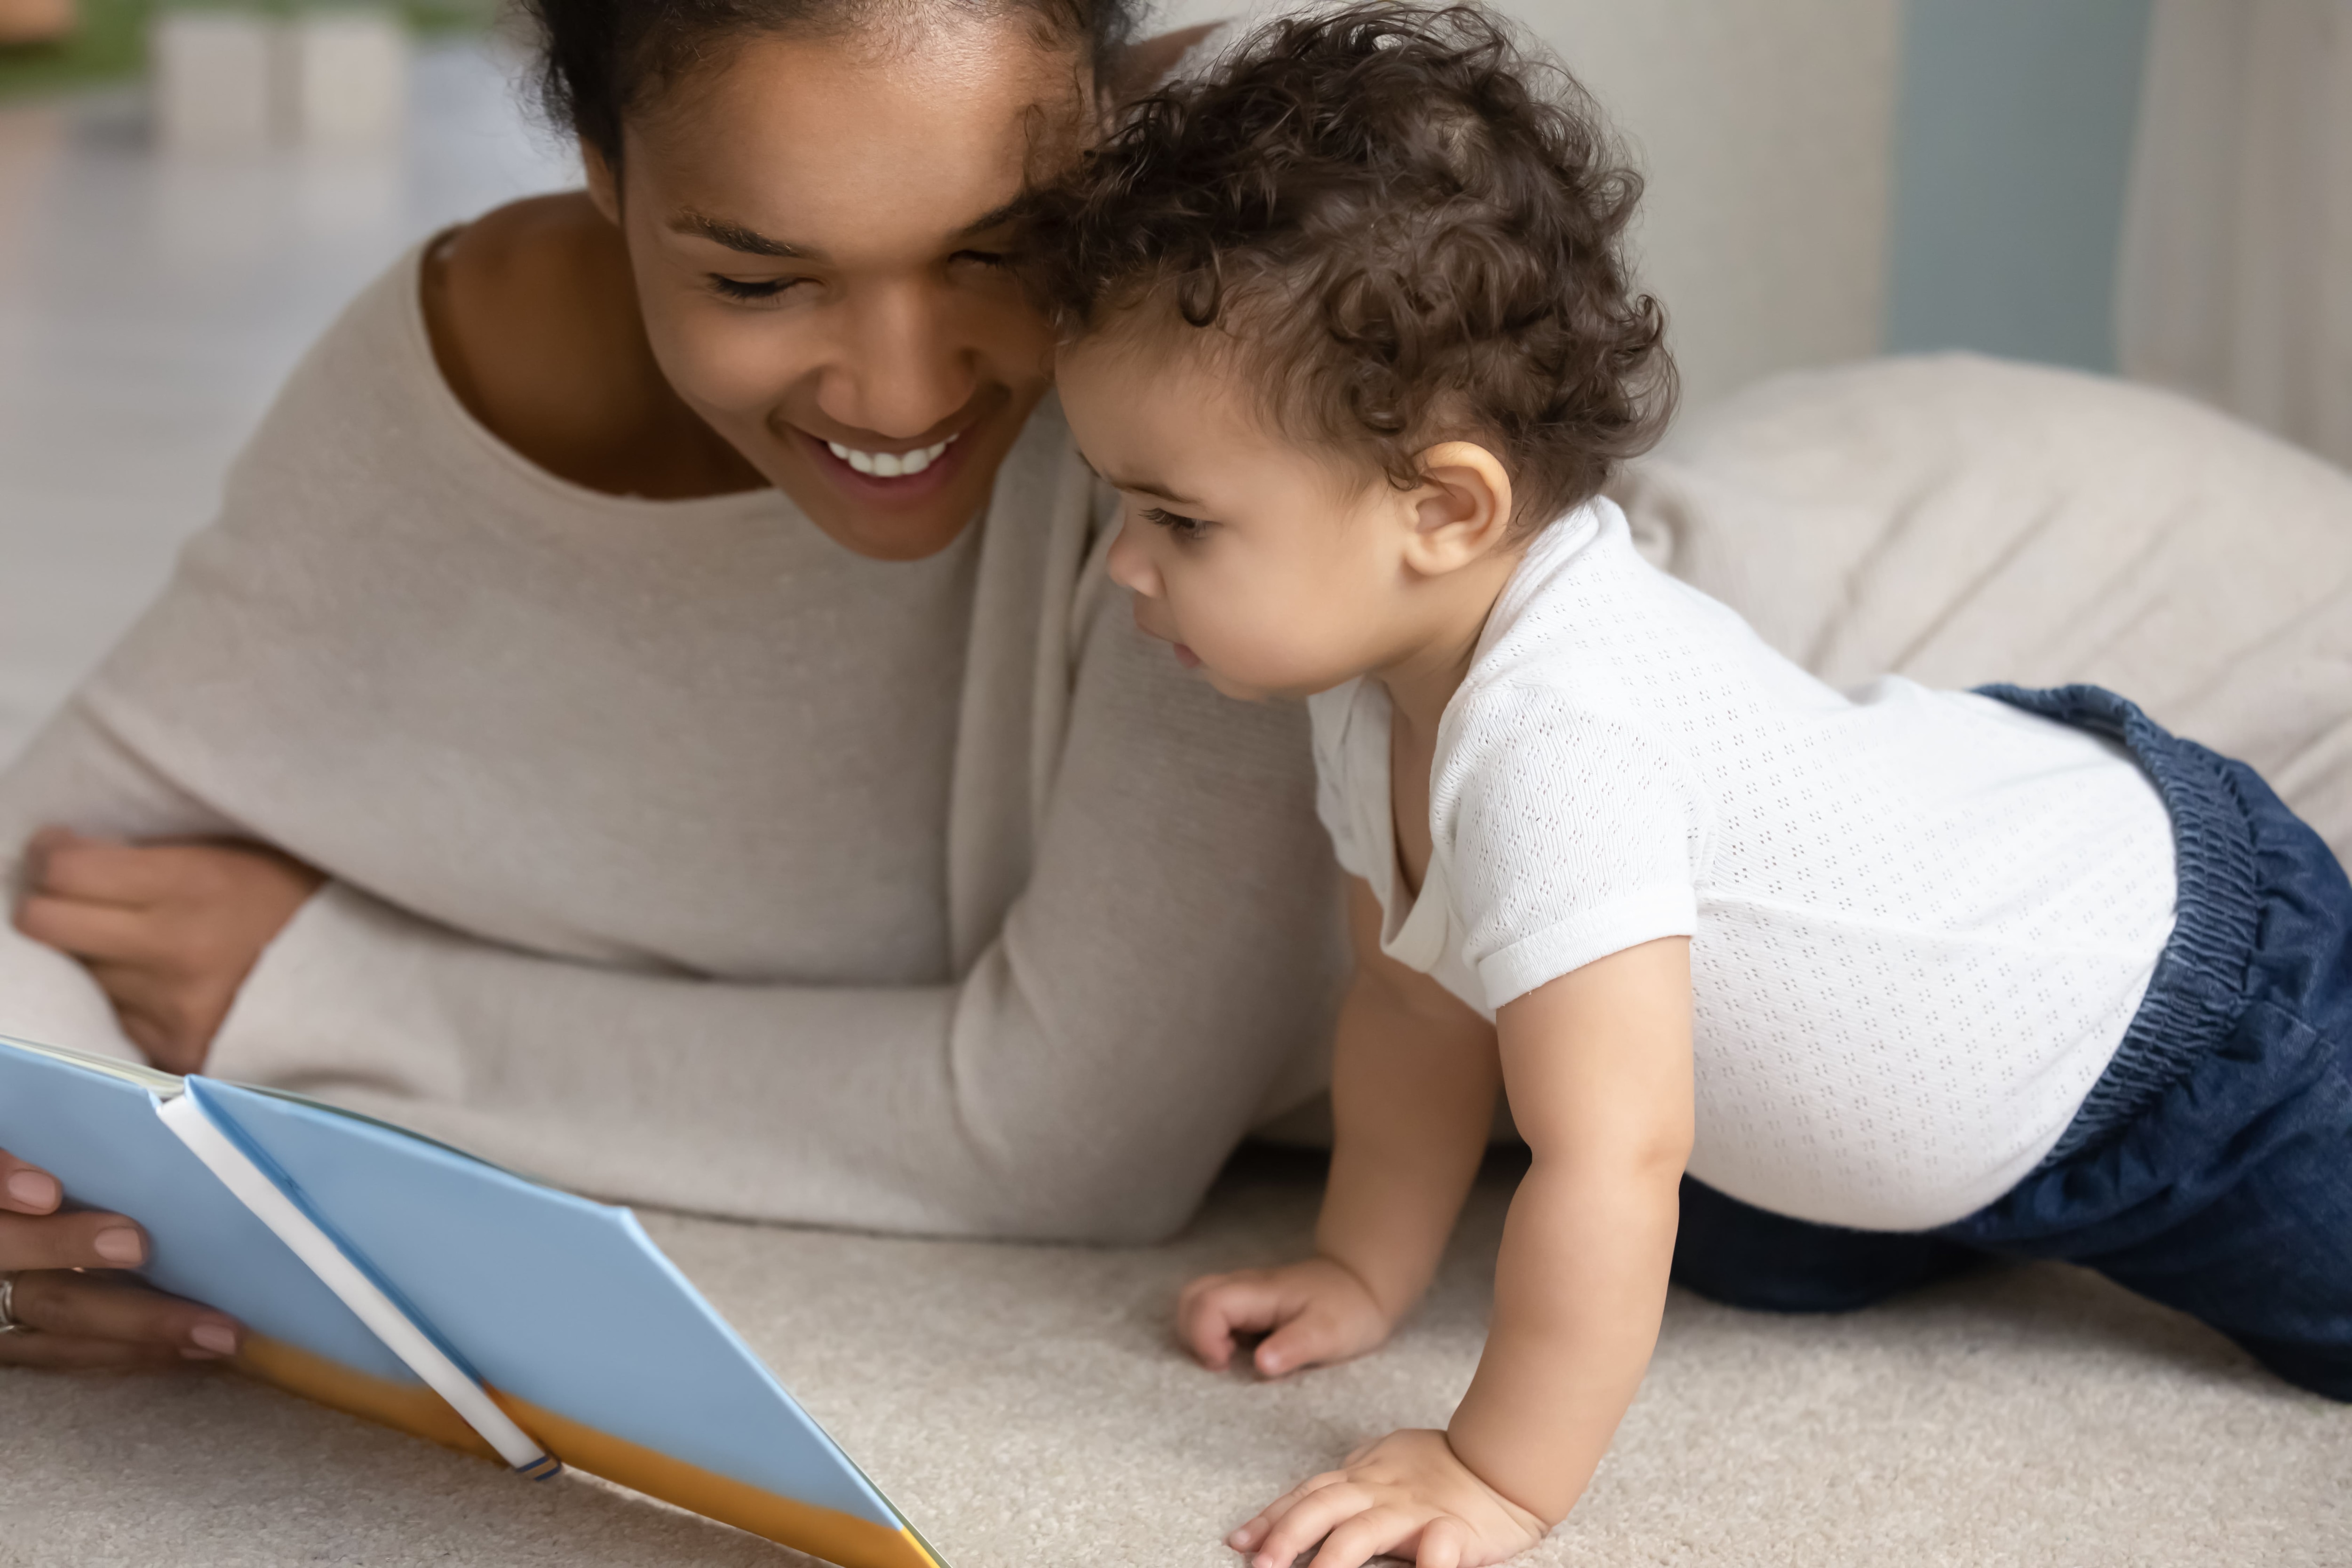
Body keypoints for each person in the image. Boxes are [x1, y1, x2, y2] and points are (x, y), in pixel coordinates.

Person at [1032, 8, 2352, 1566]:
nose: (1123, 566)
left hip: (2173, 1019)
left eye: (1178, 520)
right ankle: (1909, 1190)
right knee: (1740, 1245)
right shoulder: (1367, 677)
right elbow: (1412, 1004)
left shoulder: (1562, 742)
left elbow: (1612, 1156)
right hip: (1887, 1076)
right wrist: (1362, 1274)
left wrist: (1495, 1474)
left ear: (1445, 507)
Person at [0, 0, 1347, 1369]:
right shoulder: (486, 358)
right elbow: (44, 881)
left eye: (1001, 249)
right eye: (760, 281)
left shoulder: (1257, 268)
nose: (898, 395)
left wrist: (326, 996)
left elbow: (1076, 1137)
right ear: (602, 164)